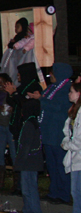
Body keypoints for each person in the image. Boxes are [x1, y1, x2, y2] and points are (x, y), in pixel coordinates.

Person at [39, 63, 73, 205]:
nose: (50, 75)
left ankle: (64, 194)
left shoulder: (67, 89)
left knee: (61, 165)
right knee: (52, 165)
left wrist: (40, 100)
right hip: (48, 132)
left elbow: (59, 107)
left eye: (52, 73)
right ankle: (54, 192)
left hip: (58, 133)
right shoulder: (52, 88)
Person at [14, 97, 44, 213]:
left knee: (29, 189)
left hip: (29, 162)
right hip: (31, 161)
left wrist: (20, 161)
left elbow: (25, 145)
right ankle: (28, 212)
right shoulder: (32, 123)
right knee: (28, 188)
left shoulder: (29, 124)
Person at [61, 83, 81, 213]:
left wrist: (68, 144)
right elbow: (68, 131)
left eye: (72, 91)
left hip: (78, 156)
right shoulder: (74, 111)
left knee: (77, 191)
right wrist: (67, 141)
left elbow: (78, 140)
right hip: (75, 158)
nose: (69, 94)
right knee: (75, 191)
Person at [0, 73, 16, 190]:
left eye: (2, 82)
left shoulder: (13, 94)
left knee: (14, 153)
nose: (0, 85)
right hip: (0, 125)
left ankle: (17, 184)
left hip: (11, 126)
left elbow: (20, 107)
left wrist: (13, 109)